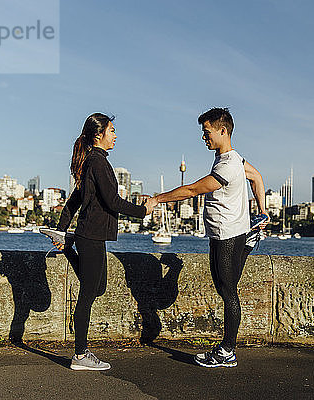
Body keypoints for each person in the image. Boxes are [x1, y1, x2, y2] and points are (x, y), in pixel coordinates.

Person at [151, 107, 268, 368]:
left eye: (207, 132)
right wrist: (261, 210)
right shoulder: (236, 160)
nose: (204, 137)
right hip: (233, 232)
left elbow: (192, 189)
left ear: (223, 131)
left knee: (227, 291)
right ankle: (249, 243)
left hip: (225, 235)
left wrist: (158, 199)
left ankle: (227, 351)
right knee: (228, 285)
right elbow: (257, 177)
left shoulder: (227, 165)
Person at [55, 112, 157, 371]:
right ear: (99, 134)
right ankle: (79, 355)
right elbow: (113, 202)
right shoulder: (98, 163)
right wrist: (143, 211)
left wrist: (62, 229)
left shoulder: (94, 162)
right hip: (90, 235)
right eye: (111, 130)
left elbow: (75, 200)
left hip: (93, 235)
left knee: (98, 287)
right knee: (88, 294)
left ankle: (67, 246)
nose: (115, 135)